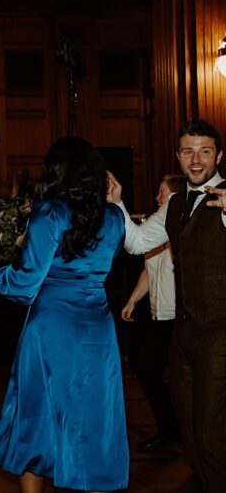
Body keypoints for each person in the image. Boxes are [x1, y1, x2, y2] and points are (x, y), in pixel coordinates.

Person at [0, 136, 128, 493]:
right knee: (93, 417)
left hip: (51, 329)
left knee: (36, 416)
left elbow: (24, 284)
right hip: (97, 329)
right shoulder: (114, 218)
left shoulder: (50, 213)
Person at [108, 118, 226, 492]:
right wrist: (117, 204)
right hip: (184, 332)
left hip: (221, 332)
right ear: (177, 156)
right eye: (188, 151)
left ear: (219, 155)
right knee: (189, 431)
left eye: (204, 150)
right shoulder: (175, 203)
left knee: (210, 431)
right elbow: (137, 242)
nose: (196, 159)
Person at [120, 173, 185, 452]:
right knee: (149, 371)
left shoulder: (179, 225)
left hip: (177, 316)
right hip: (159, 314)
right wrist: (133, 300)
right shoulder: (156, 227)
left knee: (168, 374)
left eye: (162, 192)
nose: (157, 197)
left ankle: (179, 431)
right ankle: (170, 429)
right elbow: (148, 269)